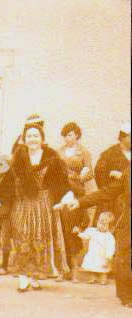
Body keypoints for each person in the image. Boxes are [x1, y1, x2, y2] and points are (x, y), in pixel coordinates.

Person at [0, 123, 73, 292]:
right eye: (29, 136)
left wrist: (66, 195)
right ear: (24, 140)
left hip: (43, 204)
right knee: (21, 236)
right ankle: (23, 277)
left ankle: (35, 276)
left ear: (42, 139)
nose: (33, 139)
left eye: (36, 136)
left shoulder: (52, 159)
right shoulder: (18, 160)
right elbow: (7, 184)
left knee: (39, 239)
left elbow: (61, 182)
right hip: (22, 204)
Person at [66, 168, 131, 307]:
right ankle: (127, 297)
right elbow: (108, 192)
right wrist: (81, 202)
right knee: (124, 258)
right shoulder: (129, 171)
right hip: (129, 222)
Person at [57, 121, 93, 280]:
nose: (67, 138)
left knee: (73, 230)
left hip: (77, 193)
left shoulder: (83, 152)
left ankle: (75, 270)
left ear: (77, 135)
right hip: (61, 193)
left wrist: (84, 174)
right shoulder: (58, 152)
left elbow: (90, 173)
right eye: (65, 135)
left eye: (70, 134)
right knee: (60, 229)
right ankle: (62, 269)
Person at [93, 123, 131, 223]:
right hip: (113, 200)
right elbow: (99, 172)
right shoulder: (109, 153)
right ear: (122, 137)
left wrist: (123, 176)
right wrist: (109, 187)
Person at [75, 211, 116, 285]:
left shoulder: (109, 236)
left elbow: (111, 247)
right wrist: (79, 232)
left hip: (103, 256)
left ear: (110, 227)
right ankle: (92, 278)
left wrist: (109, 257)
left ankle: (103, 279)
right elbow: (85, 236)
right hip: (93, 254)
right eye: (100, 222)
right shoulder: (92, 231)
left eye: (104, 225)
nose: (101, 225)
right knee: (92, 267)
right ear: (97, 221)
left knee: (103, 269)